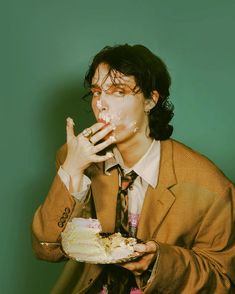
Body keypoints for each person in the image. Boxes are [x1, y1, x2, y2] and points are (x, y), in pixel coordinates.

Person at [32, 44, 235, 293]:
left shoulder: (210, 186)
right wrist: (72, 169)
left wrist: (158, 263)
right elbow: (47, 248)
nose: (101, 104)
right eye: (97, 92)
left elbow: (224, 280)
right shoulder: (74, 159)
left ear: (150, 100)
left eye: (119, 91)